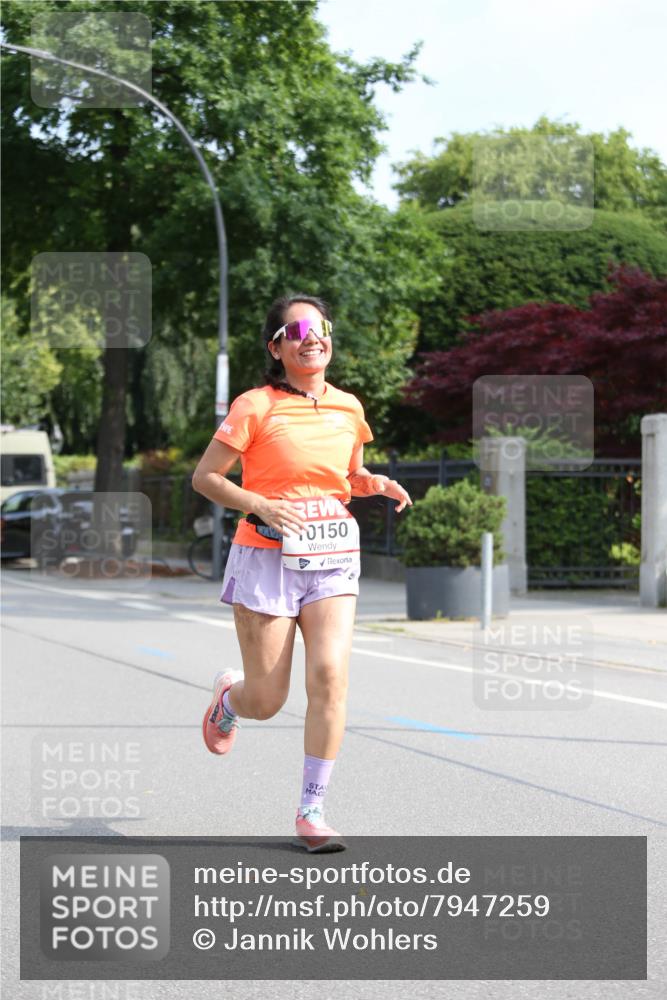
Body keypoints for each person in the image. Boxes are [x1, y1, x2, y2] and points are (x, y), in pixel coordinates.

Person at [192, 295, 411, 852]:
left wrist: (374, 483)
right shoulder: (255, 406)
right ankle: (229, 701)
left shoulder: (349, 408)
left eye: (321, 327)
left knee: (331, 677)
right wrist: (260, 504)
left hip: (333, 558)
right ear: (277, 346)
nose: (313, 336)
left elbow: (347, 473)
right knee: (268, 699)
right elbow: (207, 478)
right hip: (266, 555)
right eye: (299, 329)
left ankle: (312, 811)